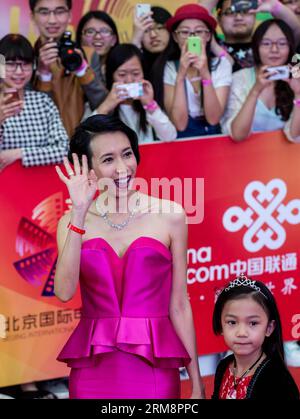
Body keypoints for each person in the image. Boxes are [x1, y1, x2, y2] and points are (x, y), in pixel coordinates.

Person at [54, 114, 205, 399]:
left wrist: (195, 381)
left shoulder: (170, 215)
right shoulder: (70, 222)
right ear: (86, 168)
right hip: (93, 367)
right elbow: (63, 291)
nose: (123, 168)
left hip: (153, 365)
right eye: (108, 159)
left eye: (127, 154)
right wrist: (80, 212)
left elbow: (180, 305)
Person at [212, 273, 300, 399]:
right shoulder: (223, 367)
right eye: (232, 322)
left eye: (253, 323)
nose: (241, 332)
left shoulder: (277, 378)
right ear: (220, 326)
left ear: (269, 328)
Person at [30, 0, 107, 136]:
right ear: (32, 17)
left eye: (59, 12)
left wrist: (82, 70)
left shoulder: (88, 54)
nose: (52, 20)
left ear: (70, 16)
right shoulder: (24, 58)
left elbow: (104, 106)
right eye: (44, 12)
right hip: (42, 146)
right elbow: (33, 116)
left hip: (83, 144)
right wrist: (43, 75)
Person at [221, 19, 300, 142]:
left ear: (291, 48)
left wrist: (298, 95)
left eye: (282, 43)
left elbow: (294, 136)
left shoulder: (296, 79)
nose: (274, 49)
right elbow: (238, 134)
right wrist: (255, 91)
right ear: (256, 47)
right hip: (242, 157)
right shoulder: (239, 79)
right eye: (266, 43)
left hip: (285, 158)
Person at [162, 3, 232, 138]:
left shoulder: (221, 64)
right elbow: (180, 124)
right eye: (185, 32)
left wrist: (205, 73)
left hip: (213, 135)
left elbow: (213, 119)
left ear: (208, 36)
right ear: (175, 37)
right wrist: (181, 75)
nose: (191, 37)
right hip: (182, 138)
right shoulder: (170, 67)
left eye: (199, 31)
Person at [0, 34, 68, 171]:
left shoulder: (42, 102)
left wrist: (19, 154)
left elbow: (64, 149)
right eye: (11, 64)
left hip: (41, 184)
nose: (19, 71)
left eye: (25, 64)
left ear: (34, 65)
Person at [94, 44, 177, 143]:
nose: (129, 80)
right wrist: (106, 106)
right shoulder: (100, 102)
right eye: (122, 74)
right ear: (111, 76)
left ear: (143, 74)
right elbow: (86, 137)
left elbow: (170, 137)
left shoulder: (148, 103)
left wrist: (150, 105)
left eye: (136, 73)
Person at [202, 0, 300, 72]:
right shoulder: (211, 45)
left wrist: (274, 6)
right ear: (218, 19)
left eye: (245, 11)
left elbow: (296, 31)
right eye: (230, 12)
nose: (238, 17)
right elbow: (196, 16)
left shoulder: (268, 47)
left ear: (254, 15)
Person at [76, 10, 119, 87]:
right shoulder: (73, 69)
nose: (98, 37)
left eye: (105, 31)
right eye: (90, 31)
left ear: (114, 40)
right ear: (81, 39)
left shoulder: (120, 70)